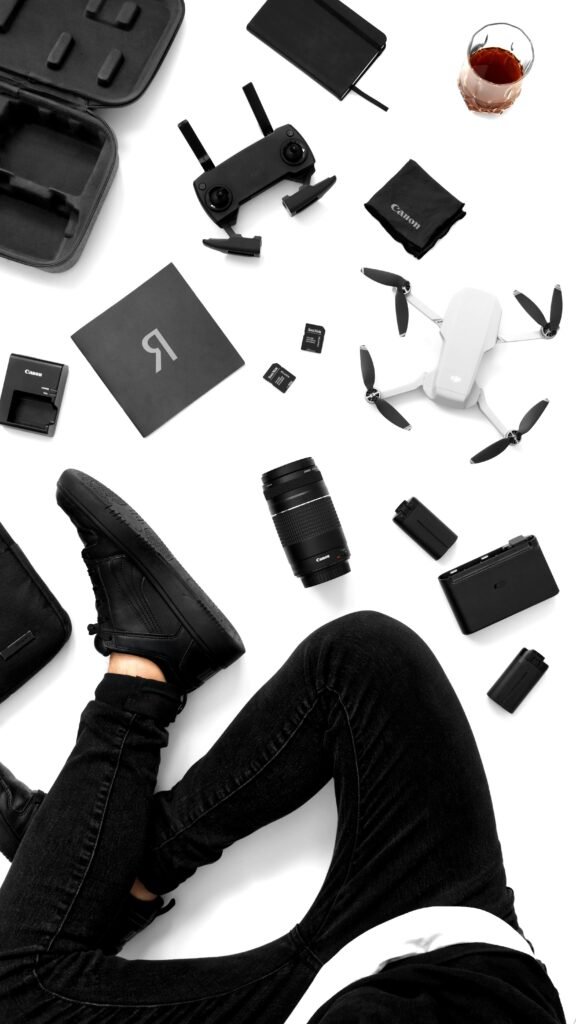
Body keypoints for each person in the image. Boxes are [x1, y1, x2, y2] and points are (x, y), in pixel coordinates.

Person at [0, 470, 566, 1023]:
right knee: (360, 657)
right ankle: (107, 864)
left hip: (320, 997)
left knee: (16, 993)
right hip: (456, 944)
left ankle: (138, 686)